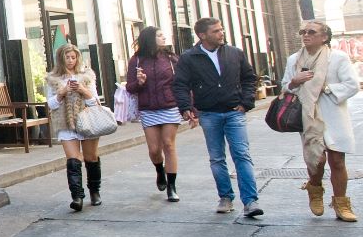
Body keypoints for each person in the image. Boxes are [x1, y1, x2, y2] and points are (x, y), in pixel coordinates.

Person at [173, 16, 261, 217]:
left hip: (234, 112)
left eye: (221, 29)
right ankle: (226, 197)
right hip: (208, 113)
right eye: (216, 31)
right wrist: (186, 107)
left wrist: (246, 102)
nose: (221, 33)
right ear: (202, 35)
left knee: (241, 154)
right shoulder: (189, 57)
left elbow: (249, 78)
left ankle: (250, 201)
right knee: (217, 158)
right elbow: (180, 84)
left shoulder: (234, 53)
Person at [282, 19, 360, 222]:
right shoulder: (294, 60)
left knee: (337, 160)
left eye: (311, 32)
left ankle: (341, 203)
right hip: (308, 116)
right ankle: (314, 189)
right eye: (303, 32)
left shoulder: (338, 58)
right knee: (317, 159)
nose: (306, 35)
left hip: (334, 114)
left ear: (324, 37)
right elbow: (285, 87)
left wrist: (327, 89)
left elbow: (352, 85)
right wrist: (294, 82)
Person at [125, 25, 183, 202]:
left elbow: (182, 84)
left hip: (170, 106)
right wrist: (139, 82)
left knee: (169, 144)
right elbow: (129, 87)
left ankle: (172, 187)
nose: (164, 38)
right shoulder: (136, 60)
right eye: (159, 35)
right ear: (150, 39)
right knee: (154, 149)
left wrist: (190, 108)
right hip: (148, 108)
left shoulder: (171, 58)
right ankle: (160, 170)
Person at [45, 41, 104, 212]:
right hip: (65, 124)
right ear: (61, 59)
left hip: (87, 122)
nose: (71, 60)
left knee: (91, 157)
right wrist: (61, 94)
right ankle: (77, 196)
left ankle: (94, 192)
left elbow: (95, 103)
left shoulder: (86, 76)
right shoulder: (53, 79)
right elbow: (51, 105)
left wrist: (82, 90)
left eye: (73, 57)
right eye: (67, 57)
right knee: (73, 160)